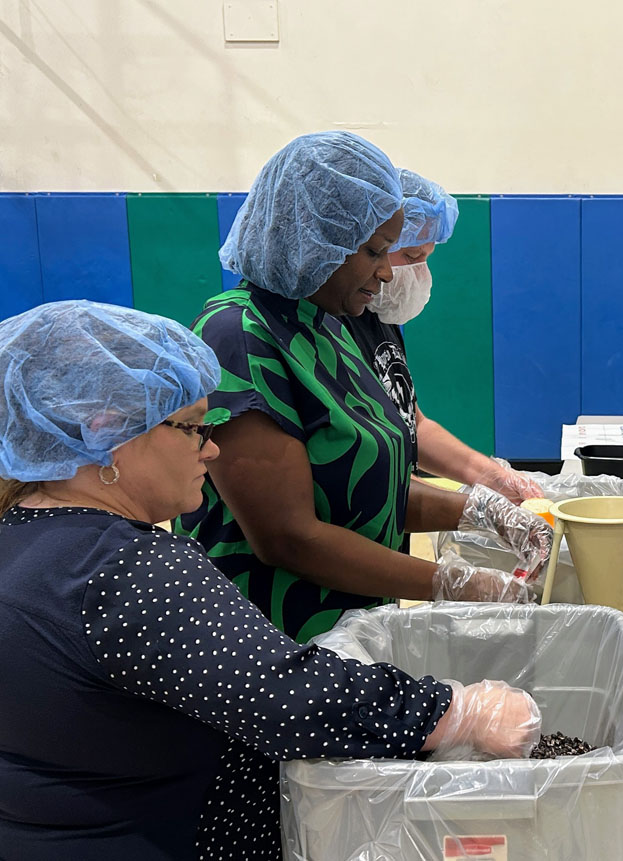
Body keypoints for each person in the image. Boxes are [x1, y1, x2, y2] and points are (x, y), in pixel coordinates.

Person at [0, 300, 540, 860]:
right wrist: (455, 711)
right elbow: (291, 697)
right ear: (107, 434)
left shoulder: (26, 538)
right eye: (191, 429)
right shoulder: (127, 568)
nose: (210, 448)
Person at [179, 132, 554, 642]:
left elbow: (366, 490)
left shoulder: (330, 324)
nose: (385, 272)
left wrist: (484, 510)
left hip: (356, 631)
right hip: (278, 640)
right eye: (377, 251)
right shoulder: (240, 336)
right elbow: (290, 537)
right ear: (314, 241)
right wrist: (457, 583)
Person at [340, 168, 544, 503]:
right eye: (411, 256)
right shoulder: (330, 326)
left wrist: (493, 477)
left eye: (426, 259)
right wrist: (471, 510)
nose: (414, 273)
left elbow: (411, 425)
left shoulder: (378, 316)